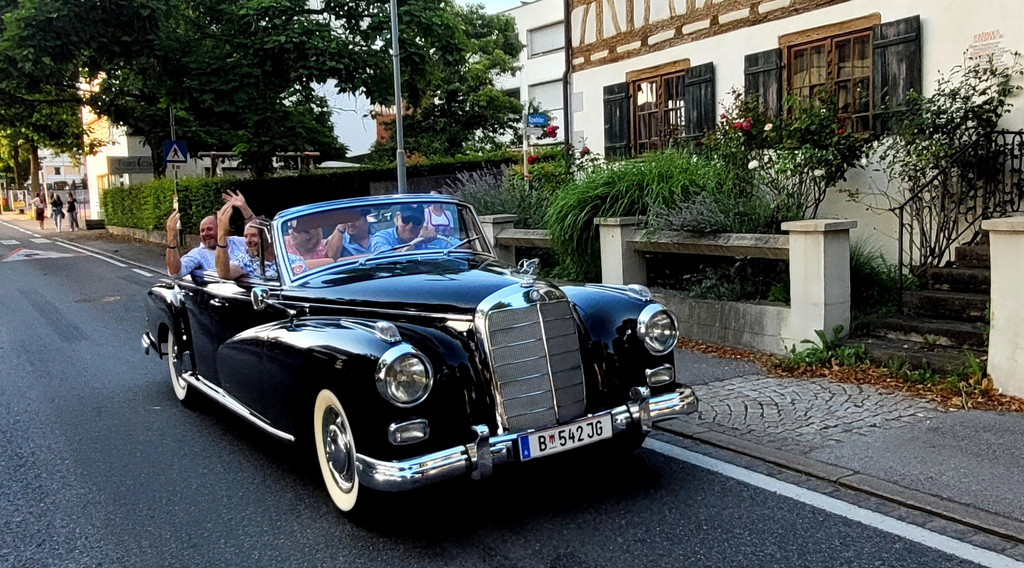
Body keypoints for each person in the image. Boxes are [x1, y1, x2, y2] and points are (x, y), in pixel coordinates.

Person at [165, 189, 253, 278]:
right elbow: (175, 273)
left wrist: (244, 208)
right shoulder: (198, 254)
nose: (205, 233)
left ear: (221, 227)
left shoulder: (238, 242)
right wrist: (171, 238)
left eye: (209, 229)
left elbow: (261, 239)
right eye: (202, 231)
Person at [215, 204, 305, 280]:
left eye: (253, 235)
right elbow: (224, 273)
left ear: (269, 235)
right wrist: (221, 234)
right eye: (245, 236)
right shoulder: (246, 262)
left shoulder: (291, 261)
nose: (248, 241)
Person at [369, 203, 455, 254]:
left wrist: (431, 237)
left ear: (423, 222)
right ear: (397, 218)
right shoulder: (382, 237)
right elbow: (381, 255)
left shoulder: (431, 239)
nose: (410, 226)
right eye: (406, 220)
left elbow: (462, 246)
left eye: (416, 221)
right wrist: (414, 244)